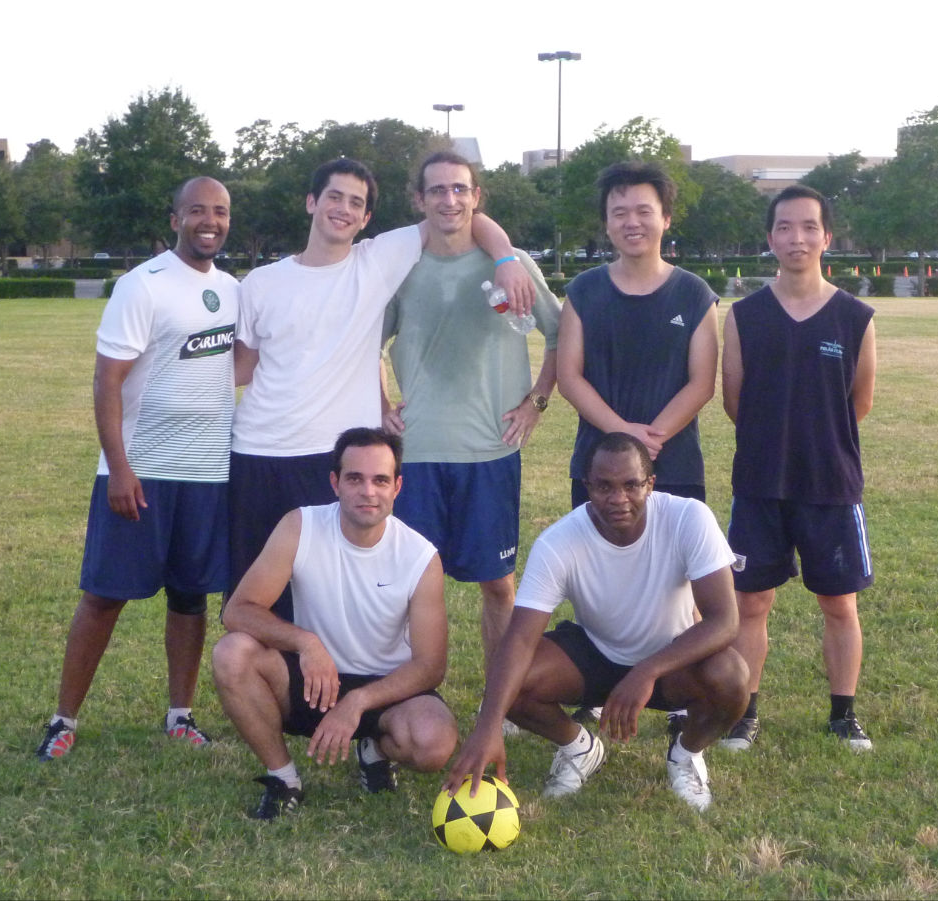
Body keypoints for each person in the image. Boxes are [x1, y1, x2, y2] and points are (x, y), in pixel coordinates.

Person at [230, 158, 534, 624]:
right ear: (312, 202)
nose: (343, 209)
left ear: (367, 218)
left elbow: (458, 212)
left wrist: (507, 258)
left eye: (356, 203)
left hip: (336, 460)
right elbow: (241, 368)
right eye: (334, 196)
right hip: (259, 454)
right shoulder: (261, 283)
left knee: (334, 598)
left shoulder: (378, 259)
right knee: (255, 601)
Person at [36, 177, 237, 761]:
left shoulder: (232, 290)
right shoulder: (141, 284)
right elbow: (108, 381)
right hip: (141, 473)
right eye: (197, 210)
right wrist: (121, 469)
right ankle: (63, 719)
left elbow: (236, 366)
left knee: (191, 597)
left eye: (220, 212)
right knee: (104, 595)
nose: (209, 221)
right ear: (175, 218)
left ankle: (180, 715)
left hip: (208, 474)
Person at [442, 432, 749, 812]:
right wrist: (487, 727)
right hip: (596, 653)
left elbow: (724, 621)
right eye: (604, 486)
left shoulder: (688, 517)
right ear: (587, 486)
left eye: (631, 485)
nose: (618, 498)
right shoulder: (560, 541)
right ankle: (579, 748)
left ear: (650, 484)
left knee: (731, 676)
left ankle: (685, 754)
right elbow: (518, 641)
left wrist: (646, 672)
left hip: (672, 661)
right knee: (514, 678)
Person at [380, 150, 561, 690]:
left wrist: (537, 400)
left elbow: (559, 332)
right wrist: (380, 404)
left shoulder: (512, 263)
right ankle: (411, 695)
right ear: (419, 199)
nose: (449, 199)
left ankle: (500, 699)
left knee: (499, 586)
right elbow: (367, 340)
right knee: (409, 586)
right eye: (437, 190)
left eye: (460, 189)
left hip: (490, 450)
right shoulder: (401, 267)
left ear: (476, 196)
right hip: (421, 450)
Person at [212, 427, 457, 819]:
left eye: (380, 480)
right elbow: (238, 610)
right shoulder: (301, 526)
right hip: (312, 681)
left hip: (384, 688)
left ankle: (374, 750)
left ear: (397, 487)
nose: (367, 491)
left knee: (433, 742)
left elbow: (431, 666)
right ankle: (284, 778)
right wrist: (306, 643)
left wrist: (358, 701)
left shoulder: (420, 557)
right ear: (335, 483)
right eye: (354, 478)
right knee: (232, 653)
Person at [719, 184, 878, 753]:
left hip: (831, 484)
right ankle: (744, 711)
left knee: (839, 603)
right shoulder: (743, 317)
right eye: (785, 227)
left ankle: (843, 715)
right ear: (770, 238)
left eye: (809, 227)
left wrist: (818, 441)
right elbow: (733, 399)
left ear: (826, 237)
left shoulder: (855, 317)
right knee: (751, 602)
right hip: (760, 483)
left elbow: (857, 403)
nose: (797, 238)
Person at [557, 160, 719, 510]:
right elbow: (569, 377)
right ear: (607, 222)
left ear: (666, 218)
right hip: (599, 470)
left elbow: (702, 384)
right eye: (619, 213)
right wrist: (623, 435)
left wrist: (648, 441)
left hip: (676, 467)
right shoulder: (583, 292)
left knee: (674, 566)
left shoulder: (695, 294)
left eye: (644, 211)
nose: (632, 222)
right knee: (599, 565)